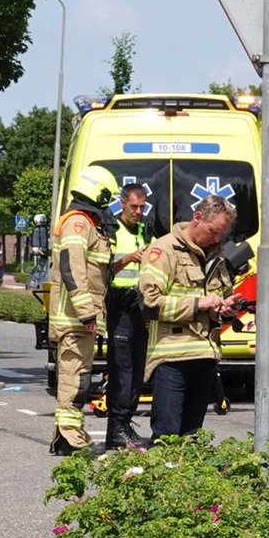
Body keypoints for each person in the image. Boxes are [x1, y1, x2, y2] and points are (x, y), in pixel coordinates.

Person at [137, 194, 243, 443]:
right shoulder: (164, 250)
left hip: (205, 356)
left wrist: (224, 309)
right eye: (213, 232)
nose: (217, 239)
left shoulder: (215, 255)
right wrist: (198, 304)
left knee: (191, 438)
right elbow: (150, 304)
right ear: (197, 218)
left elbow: (216, 301)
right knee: (167, 437)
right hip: (172, 356)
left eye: (222, 235)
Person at [47, 165, 119, 456]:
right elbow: (72, 268)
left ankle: (67, 436)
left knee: (77, 377)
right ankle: (71, 439)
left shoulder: (86, 222)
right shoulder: (77, 223)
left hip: (79, 318)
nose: (108, 203)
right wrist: (87, 312)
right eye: (106, 197)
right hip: (75, 318)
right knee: (75, 379)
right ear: (97, 191)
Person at [101, 180, 157, 450]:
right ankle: (116, 426)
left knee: (137, 370)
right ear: (122, 203)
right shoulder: (111, 230)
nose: (138, 211)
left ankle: (126, 423)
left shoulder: (147, 231)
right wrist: (128, 259)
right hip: (119, 305)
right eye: (134, 206)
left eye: (142, 207)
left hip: (141, 306)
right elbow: (101, 270)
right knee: (121, 369)